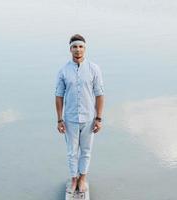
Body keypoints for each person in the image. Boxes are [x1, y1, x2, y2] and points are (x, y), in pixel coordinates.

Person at [55, 34, 104, 193]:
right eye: (75, 47)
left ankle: (83, 178)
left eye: (81, 46)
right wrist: (59, 120)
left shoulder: (94, 69)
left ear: (85, 48)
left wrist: (98, 118)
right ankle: (74, 178)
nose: (78, 50)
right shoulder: (63, 71)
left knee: (86, 151)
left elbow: (99, 94)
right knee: (71, 152)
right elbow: (59, 96)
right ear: (70, 49)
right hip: (69, 119)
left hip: (89, 118)